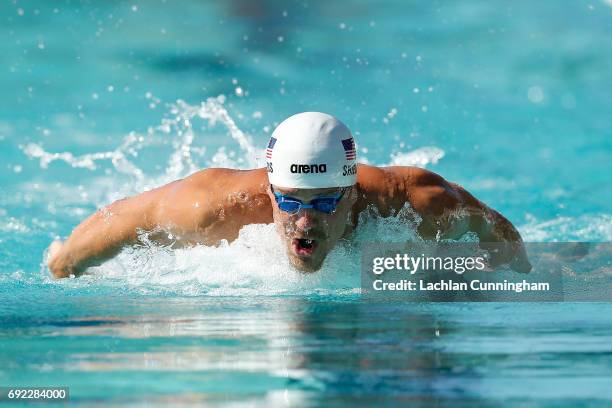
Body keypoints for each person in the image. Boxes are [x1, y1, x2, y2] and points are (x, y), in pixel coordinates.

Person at [47, 112, 531, 278]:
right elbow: (123, 218)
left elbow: (501, 235)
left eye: (323, 201)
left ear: (351, 191)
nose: (304, 221)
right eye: (291, 201)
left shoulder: (417, 204)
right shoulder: (215, 208)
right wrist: (64, 264)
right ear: (270, 187)